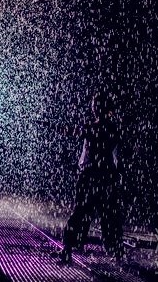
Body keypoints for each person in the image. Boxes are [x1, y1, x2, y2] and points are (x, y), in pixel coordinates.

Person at [58, 93, 124, 263]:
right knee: (108, 215)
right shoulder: (112, 129)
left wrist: (61, 128)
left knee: (81, 212)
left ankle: (68, 248)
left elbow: (74, 132)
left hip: (89, 176)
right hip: (105, 177)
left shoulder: (91, 128)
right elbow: (117, 154)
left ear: (95, 109)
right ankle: (116, 252)